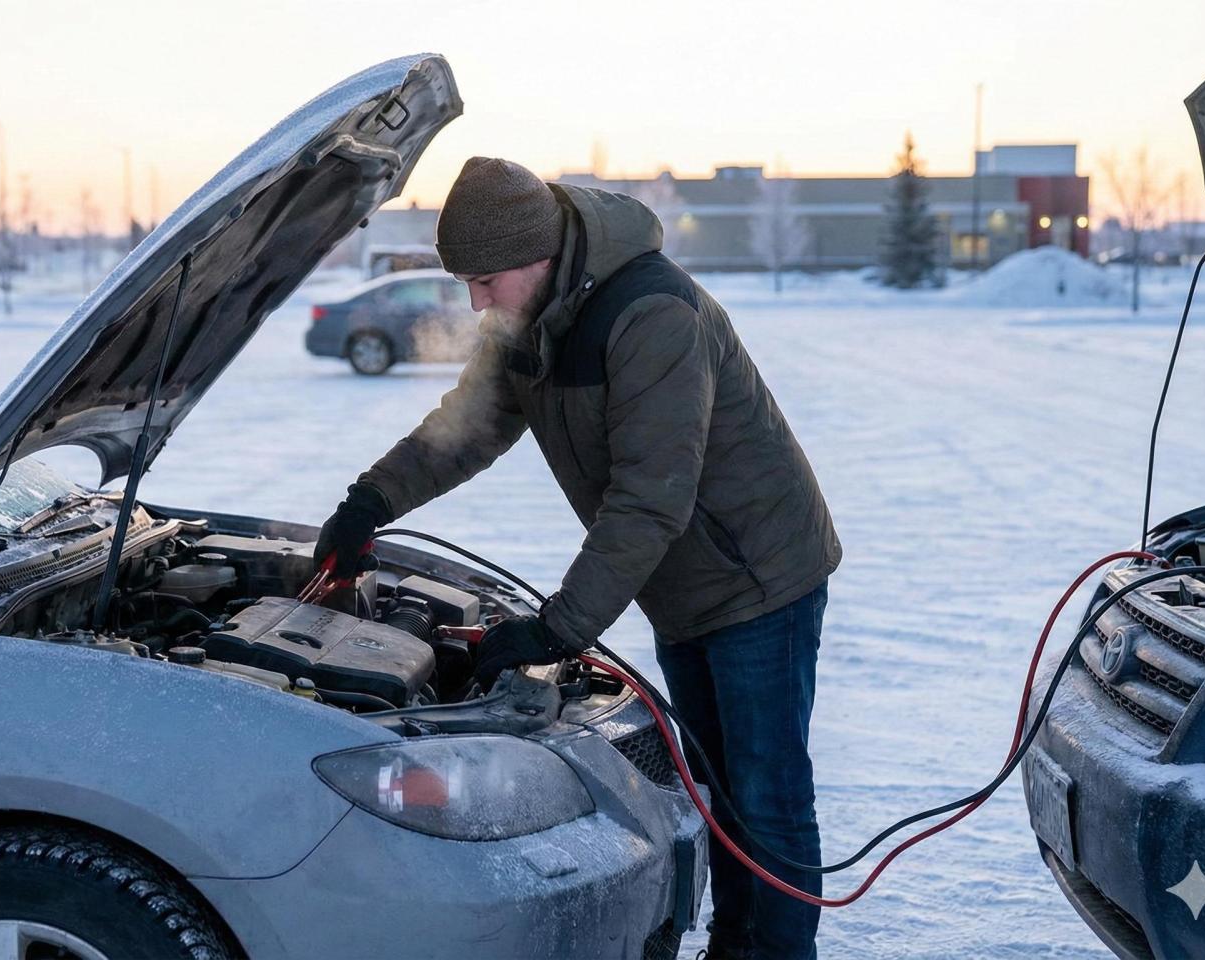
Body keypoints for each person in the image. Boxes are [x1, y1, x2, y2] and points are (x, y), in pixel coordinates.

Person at [313, 156, 841, 959]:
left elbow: (649, 499)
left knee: (765, 793)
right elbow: (467, 428)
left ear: (543, 256)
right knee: (716, 786)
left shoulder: (650, 314)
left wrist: (558, 629)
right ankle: (738, 944)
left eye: (485, 280)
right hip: (679, 580)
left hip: (756, 575)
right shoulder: (528, 321)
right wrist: (369, 503)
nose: (474, 301)